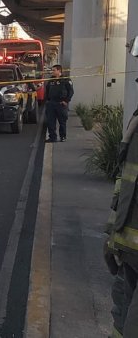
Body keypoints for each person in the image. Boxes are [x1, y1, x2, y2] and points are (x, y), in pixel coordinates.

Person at [106, 79, 138, 338]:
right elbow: (125, 184)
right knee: (121, 313)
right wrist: (113, 234)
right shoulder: (136, 123)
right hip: (128, 251)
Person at [44, 64, 73, 142]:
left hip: (61, 103)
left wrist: (66, 101)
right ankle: (52, 137)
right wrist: (47, 101)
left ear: (59, 71)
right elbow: (47, 90)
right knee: (50, 122)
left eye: (54, 70)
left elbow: (70, 92)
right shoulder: (51, 80)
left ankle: (63, 136)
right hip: (51, 103)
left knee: (62, 121)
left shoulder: (66, 80)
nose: (52, 72)